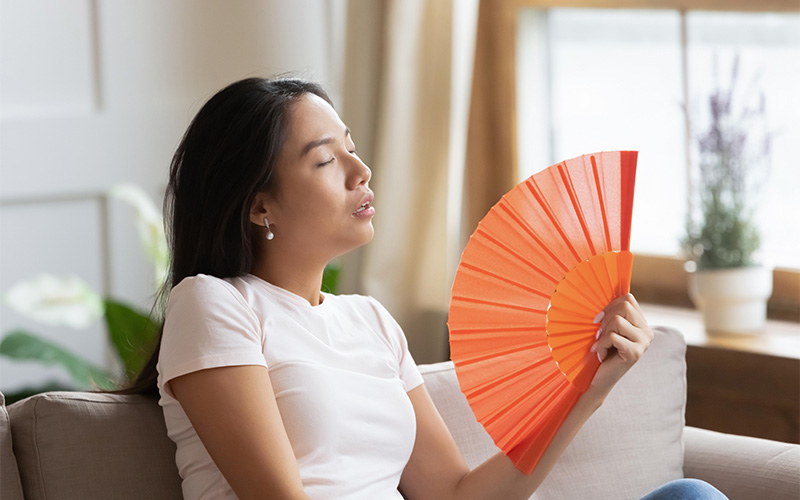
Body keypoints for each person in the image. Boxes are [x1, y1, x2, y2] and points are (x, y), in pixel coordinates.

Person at [119, 77, 728, 500]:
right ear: (259, 206)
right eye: (326, 160)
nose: (362, 172)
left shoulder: (371, 323)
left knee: (690, 496)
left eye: (353, 150)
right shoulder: (214, 303)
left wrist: (584, 392)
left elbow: (457, 495)